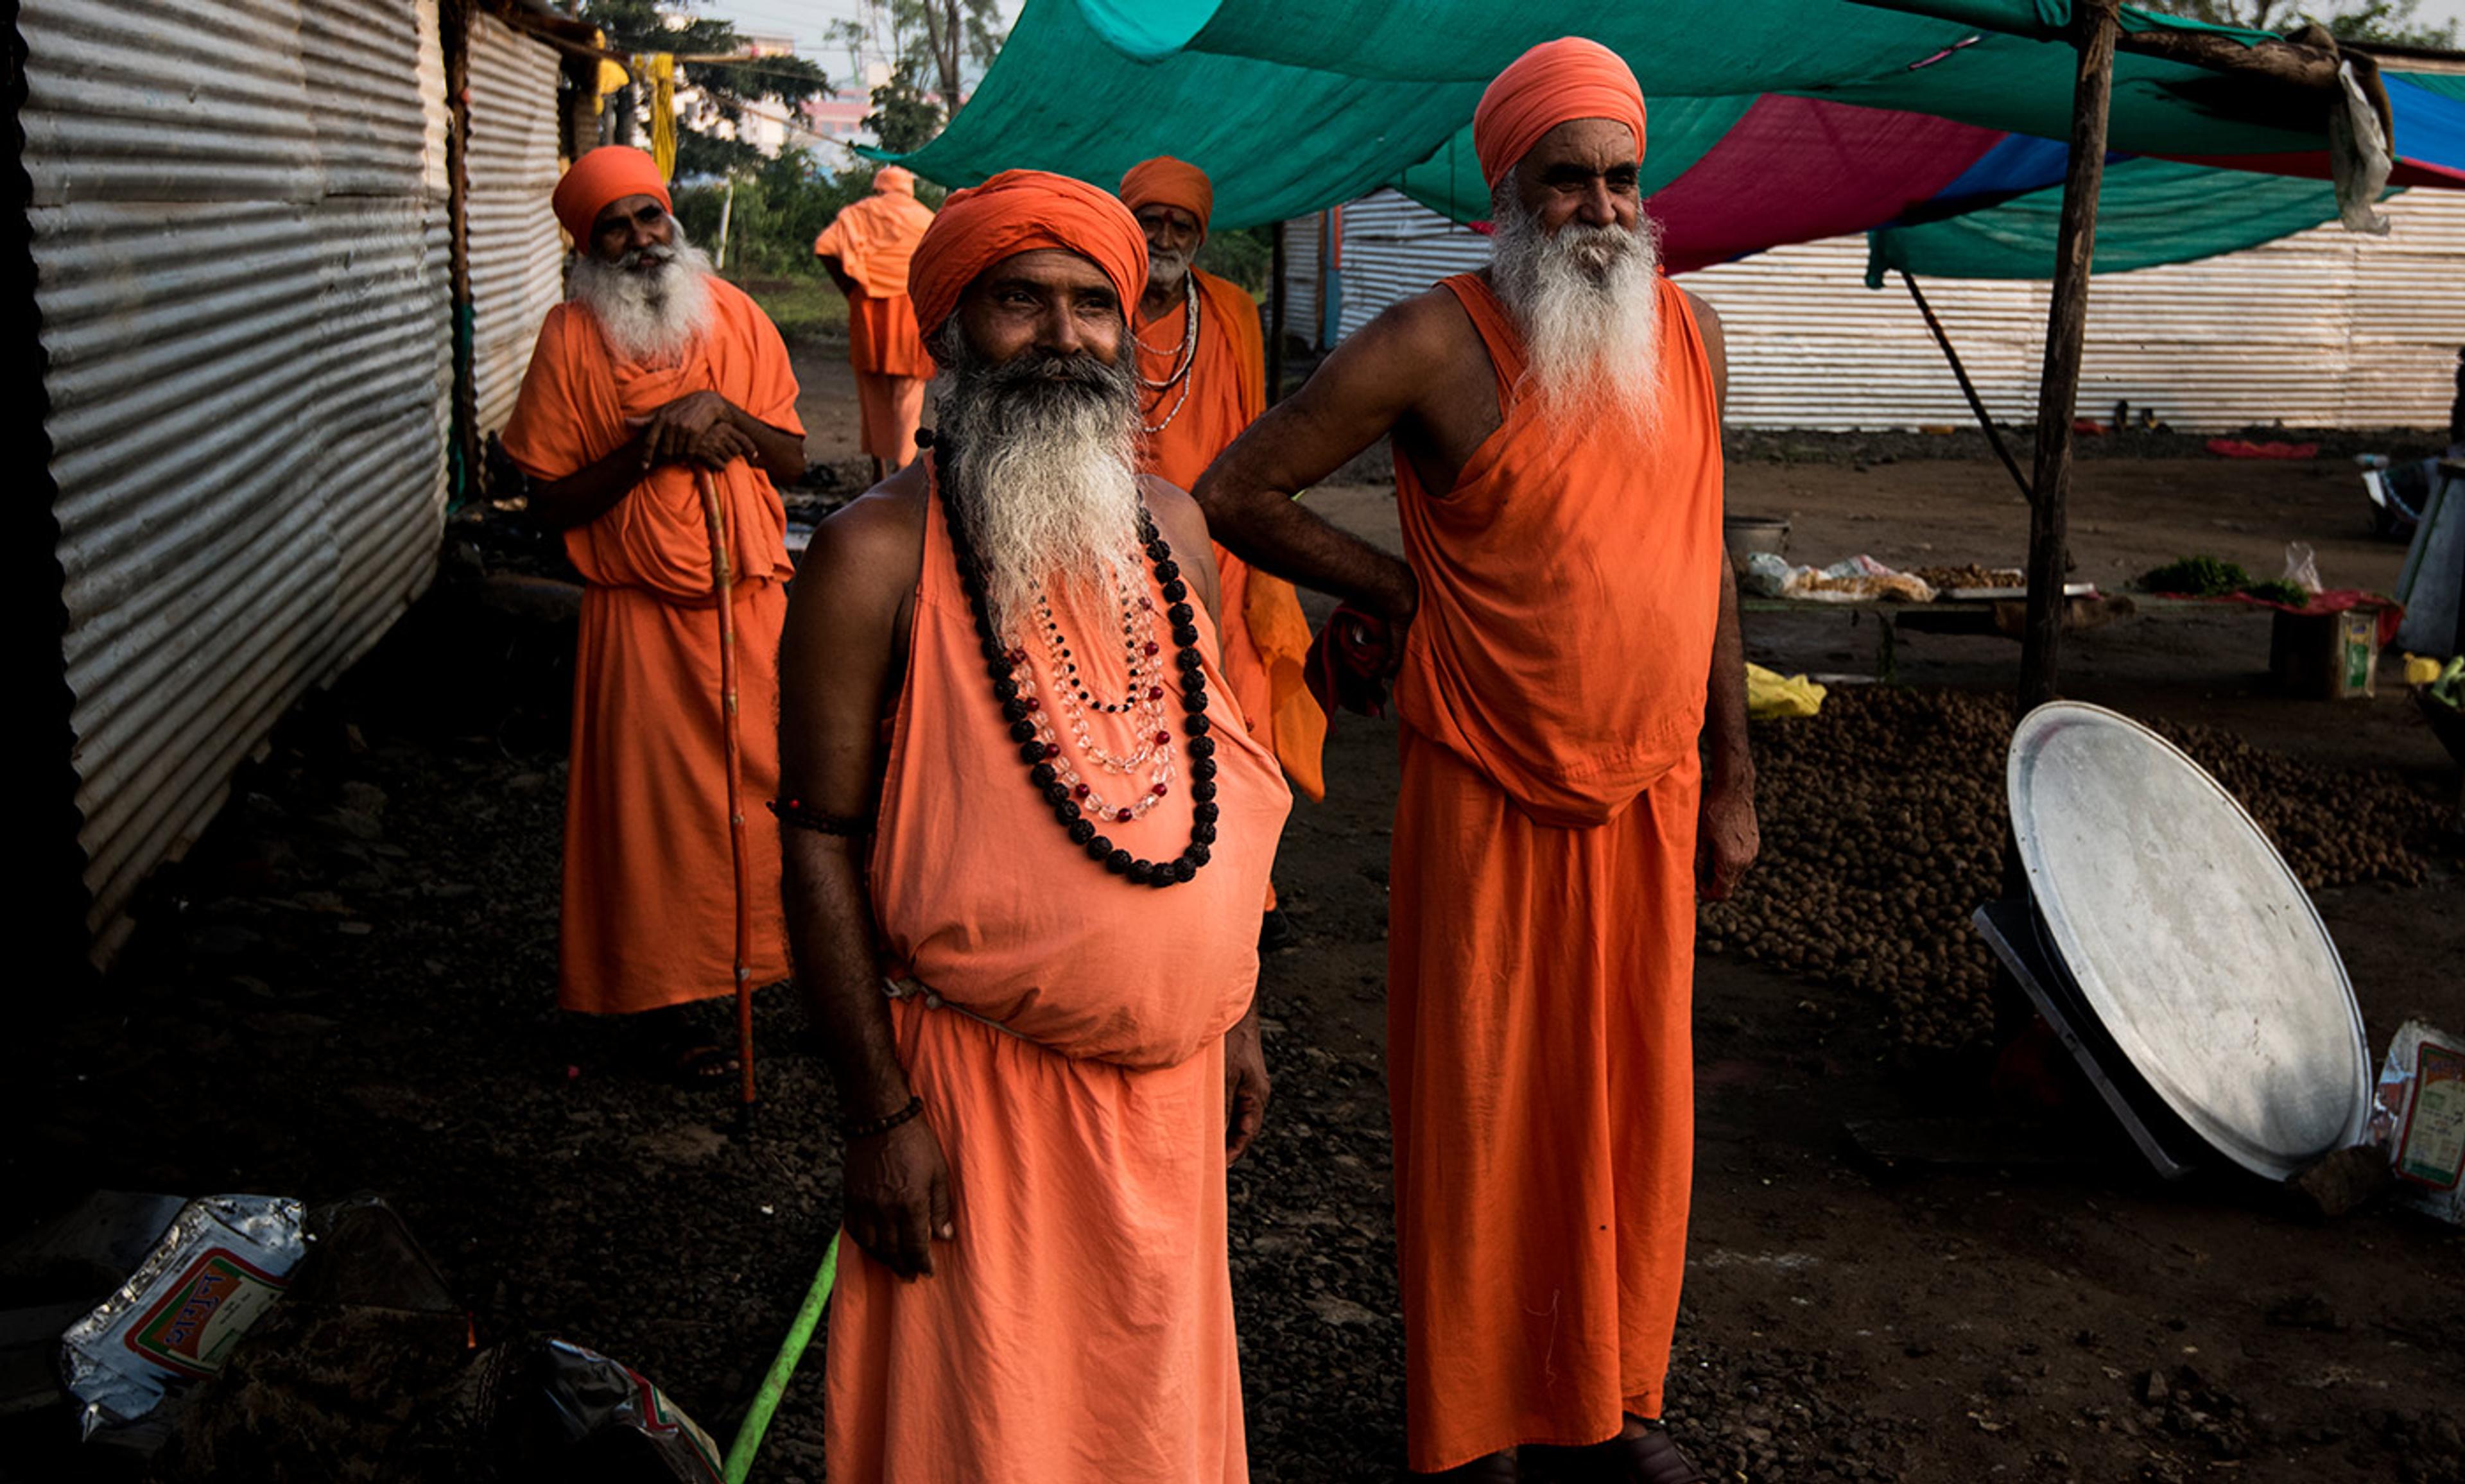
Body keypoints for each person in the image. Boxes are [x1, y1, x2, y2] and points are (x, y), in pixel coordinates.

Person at [1193, 38, 1760, 1483]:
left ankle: (1615, 1402)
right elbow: (1237, 490)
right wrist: (1394, 593)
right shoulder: (1431, 342)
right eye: (1565, 180)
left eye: (1622, 178)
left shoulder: (1686, 338)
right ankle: (1476, 1422)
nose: (1601, 209)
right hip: (1490, 785)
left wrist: (1738, 774)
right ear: (1504, 191)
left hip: (1654, 791)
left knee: (1638, 1111)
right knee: (1486, 1103)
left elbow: (1706, 569)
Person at [777, 169, 1292, 1483]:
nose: (1065, 339)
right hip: (977, 1108)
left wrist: (1231, 1014)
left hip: (1171, 1109)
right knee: (990, 1434)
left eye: (1093, 306)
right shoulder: (870, 557)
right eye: (1021, 302)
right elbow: (819, 838)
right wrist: (876, 1114)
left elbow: (1205, 795)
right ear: (950, 330)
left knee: (1149, 1432)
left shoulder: (1173, 531)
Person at [501, 145, 808, 1081]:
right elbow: (548, 504)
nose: (640, 240)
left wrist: (724, 416)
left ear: (671, 220)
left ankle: (783, 972)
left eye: (649, 218)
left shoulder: (739, 317)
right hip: (637, 615)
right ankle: (674, 1012)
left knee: (775, 792)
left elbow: (791, 461)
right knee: (656, 818)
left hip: (748, 599)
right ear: (587, 247)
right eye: (616, 228)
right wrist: (650, 450)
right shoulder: (571, 340)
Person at [1118, 158, 1326, 926]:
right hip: (1115, 547)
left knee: (1235, 716)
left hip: (1221, 549)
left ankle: (1237, 898)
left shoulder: (1232, 310)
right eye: (1152, 220)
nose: (1166, 236)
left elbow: (1255, 430)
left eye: (1183, 225)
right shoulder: (1096, 303)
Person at [814, 165, 937, 478]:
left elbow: (824, 247)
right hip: (912, 312)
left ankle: (879, 471)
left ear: (879, 187)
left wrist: (849, 287)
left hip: (868, 311)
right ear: (909, 188)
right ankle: (903, 467)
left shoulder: (858, 214)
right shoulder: (926, 219)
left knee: (872, 394)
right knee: (908, 395)